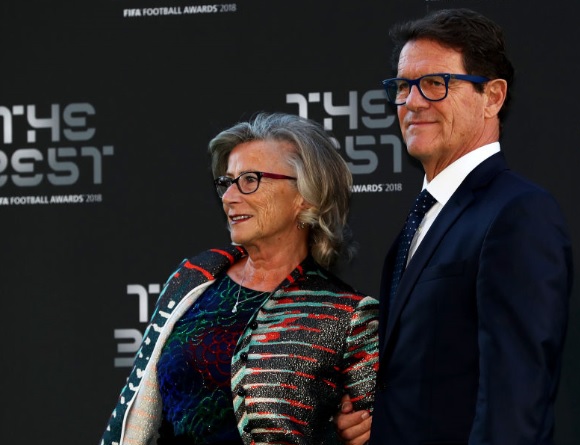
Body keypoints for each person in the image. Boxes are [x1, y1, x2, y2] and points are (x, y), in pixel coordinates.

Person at [336, 8, 573, 445]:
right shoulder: (424, 215)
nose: (412, 102)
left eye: (435, 83)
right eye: (403, 86)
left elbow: (514, 402)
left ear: (492, 97)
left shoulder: (518, 214)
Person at [100, 112, 379, 445]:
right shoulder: (193, 280)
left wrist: (352, 433)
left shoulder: (348, 315)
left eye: (250, 180)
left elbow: (378, 426)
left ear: (305, 195)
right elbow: (138, 412)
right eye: (227, 182)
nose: (229, 197)